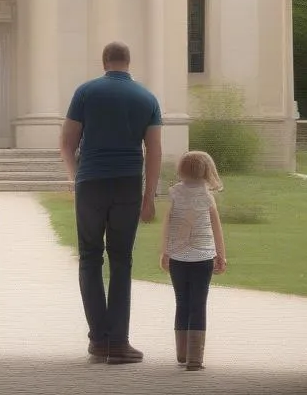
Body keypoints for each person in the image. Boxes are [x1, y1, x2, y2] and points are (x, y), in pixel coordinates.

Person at [59, 41, 163, 365]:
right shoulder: (147, 98)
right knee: (121, 260)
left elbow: (66, 143)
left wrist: (76, 176)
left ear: (104, 61)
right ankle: (118, 343)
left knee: (90, 257)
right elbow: (154, 151)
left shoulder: (85, 93)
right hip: (127, 183)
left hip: (91, 181)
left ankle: (98, 340)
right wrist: (149, 197)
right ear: (128, 63)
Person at [160, 150, 228, 371]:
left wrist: (165, 251)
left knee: (182, 302)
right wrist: (221, 254)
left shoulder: (175, 194)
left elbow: (168, 225)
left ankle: (181, 353)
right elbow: (216, 229)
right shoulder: (207, 197)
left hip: (178, 256)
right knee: (198, 304)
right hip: (203, 256)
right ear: (208, 171)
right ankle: (195, 358)